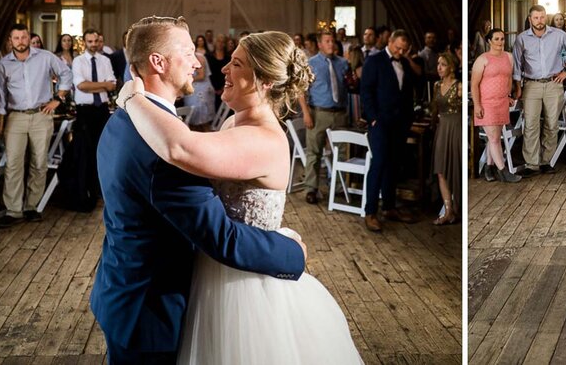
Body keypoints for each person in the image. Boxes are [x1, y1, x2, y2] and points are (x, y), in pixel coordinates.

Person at [97, 19, 355, 364]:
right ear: (159, 62)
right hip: (160, 297)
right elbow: (184, 156)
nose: (206, 64)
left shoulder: (126, 120)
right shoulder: (209, 128)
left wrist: (131, 96)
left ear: (265, 81)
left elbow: (184, 150)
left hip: (240, 285)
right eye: (188, 53)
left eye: (237, 63)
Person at [0, 24, 72, 225]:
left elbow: (66, 73)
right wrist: (1, 124)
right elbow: (1, 97)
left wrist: (59, 98)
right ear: (10, 41)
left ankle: (31, 207)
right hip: (15, 117)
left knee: (39, 163)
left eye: (24, 37)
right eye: (16, 38)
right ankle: (13, 211)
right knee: (13, 164)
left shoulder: (45, 57)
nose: (20, 41)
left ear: (29, 38)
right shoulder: (3, 64)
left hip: (41, 114)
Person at [512, 5, 566, 176]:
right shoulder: (522, 39)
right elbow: (516, 64)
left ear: (545, 17)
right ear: (530, 19)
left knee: (551, 124)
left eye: (542, 17)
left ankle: (545, 161)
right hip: (531, 85)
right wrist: (518, 87)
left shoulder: (558, 35)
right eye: (536, 18)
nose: (539, 21)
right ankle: (531, 164)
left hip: (553, 84)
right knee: (531, 125)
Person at [360, 29, 416, 232]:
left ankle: (389, 207)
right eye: (397, 47)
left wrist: (409, 117)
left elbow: (409, 91)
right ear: (390, 41)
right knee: (379, 163)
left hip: (400, 122)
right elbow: (365, 91)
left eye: (404, 49)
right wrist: (373, 118)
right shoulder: (374, 61)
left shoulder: (404, 63)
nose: (400, 52)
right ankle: (370, 211)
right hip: (380, 122)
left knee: (394, 165)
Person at [299, 30, 349, 204]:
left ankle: (339, 187)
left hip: (340, 113)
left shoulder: (343, 63)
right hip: (319, 113)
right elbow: (301, 90)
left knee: (341, 151)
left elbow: (348, 86)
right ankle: (311, 189)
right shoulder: (311, 63)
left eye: (332, 41)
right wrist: (306, 113)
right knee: (314, 152)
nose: (331, 44)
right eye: (327, 41)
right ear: (319, 44)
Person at [68, 28, 116, 210]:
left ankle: (100, 189)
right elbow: (81, 85)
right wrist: (102, 85)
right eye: (90, 41)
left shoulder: (105, 60)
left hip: (102, 110)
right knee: (85, 153)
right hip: (85, 112)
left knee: (102, 151)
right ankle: (85, 191)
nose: (93, 44)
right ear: (84, 43)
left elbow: (112, 85)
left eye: (96, 41)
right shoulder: (78, 61)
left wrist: (95, 86)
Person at [472, 29, 520, 183]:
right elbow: (474, 84)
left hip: (501, 101)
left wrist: (508, 95)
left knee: (495, 138)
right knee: (493, 138)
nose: (500, 42)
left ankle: (488, 167)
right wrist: (477, 104)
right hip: (487, 102)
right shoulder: (482, 59)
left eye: (502, 39)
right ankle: (503, 171)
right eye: (497, 39)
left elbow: (508, 79)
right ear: (489, 41)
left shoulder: (509, 57)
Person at [431, 53, 461, 225]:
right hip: (442, 128)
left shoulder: (459, 86)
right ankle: (448, 210)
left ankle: (457, 209)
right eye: (438, 64)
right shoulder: (436, 85)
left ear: (451, 67)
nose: (439, 67)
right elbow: (434, 109)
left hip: (455, 127)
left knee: (455, 167)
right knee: (440, 168)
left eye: (443, 64)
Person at [183, 35, 216, 127]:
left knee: (201, 118)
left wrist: (185, 79)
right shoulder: (187, 58)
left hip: (201, 88)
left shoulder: (199, 57)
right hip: (193, 86)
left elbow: (201, 76)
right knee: (191, 116)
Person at [206, 34, 230, 111]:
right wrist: (213, 88)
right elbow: (207, 73)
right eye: (219, 41)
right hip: (210, 86)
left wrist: (223, 88)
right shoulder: (208, 56)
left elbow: (230, 73)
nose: (220, 44)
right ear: (215, 42)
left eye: (223, 42)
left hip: (224, 86)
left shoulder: (229, 57)